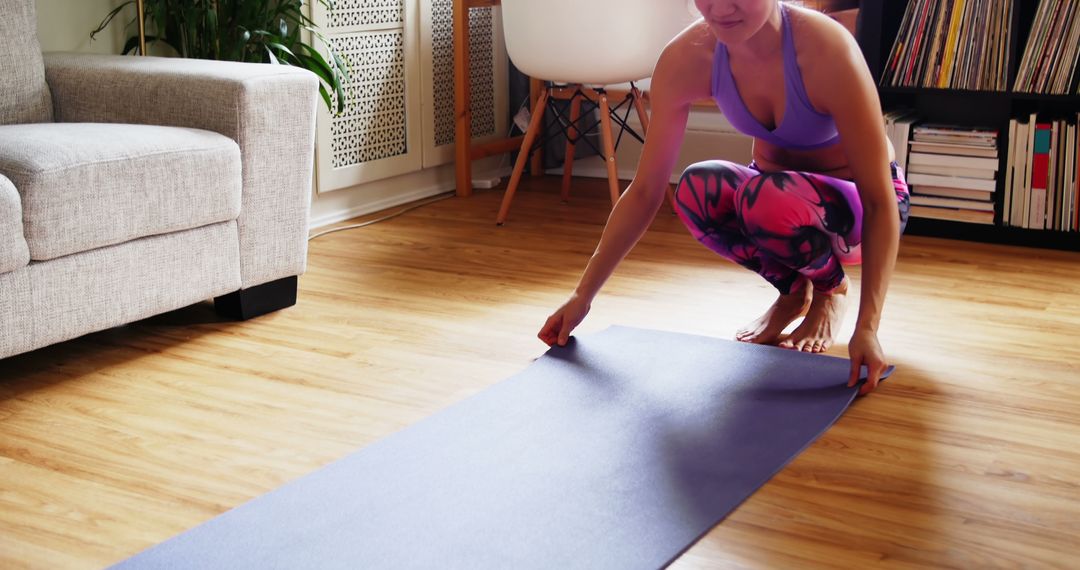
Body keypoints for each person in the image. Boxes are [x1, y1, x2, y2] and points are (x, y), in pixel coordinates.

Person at [537, 0, 910, 395]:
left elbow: (878, 201)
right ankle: (792, 291)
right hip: (774, 201)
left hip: (860, 208)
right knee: (697, 188)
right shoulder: (687, 58)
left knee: (766, 197)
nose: (720, 7)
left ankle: (832, 290)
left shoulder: (824, 49)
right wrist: (582, 296)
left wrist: (868, 327)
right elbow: (646, 190)